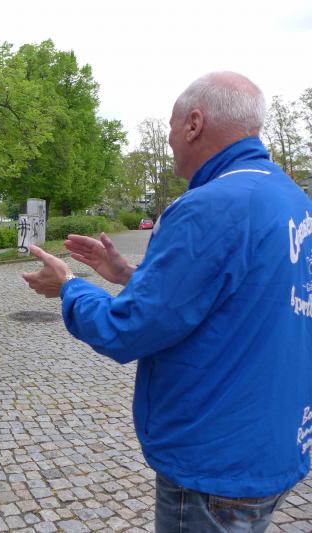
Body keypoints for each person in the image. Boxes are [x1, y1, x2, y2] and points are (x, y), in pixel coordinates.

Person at [23, 72, 312, 532]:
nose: (171, 137)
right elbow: (238, 295)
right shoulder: (291, 198)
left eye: (172, 125)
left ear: (194, 123)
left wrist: (69, 285)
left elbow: (126, 330)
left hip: (214, 459)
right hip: (274, 445)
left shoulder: (209, 205)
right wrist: (128, 274)